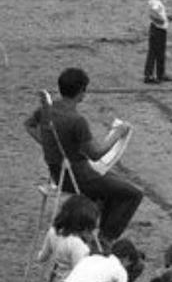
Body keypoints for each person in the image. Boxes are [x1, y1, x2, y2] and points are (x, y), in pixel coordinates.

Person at [24, 68, 143, 246]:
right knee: (133, 194)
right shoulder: (76, 120)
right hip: (79, 176)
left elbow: (29, 125)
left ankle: (98, 233)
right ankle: (106, 238)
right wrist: (117, 134)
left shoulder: (47, 109)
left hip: (59, 174)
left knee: (112, 188)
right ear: (81, 92)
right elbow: (95, 154)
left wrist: (49, 144)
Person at [143, 0, 172, 84]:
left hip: (159, 29)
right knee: (154, 53)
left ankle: (160, 74)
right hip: (158, 29)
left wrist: (165, 18)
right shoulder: (154, 3)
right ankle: (149, 76)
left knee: (159, 53)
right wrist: (163, 20)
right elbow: (154, 15)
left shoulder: (154, 1)